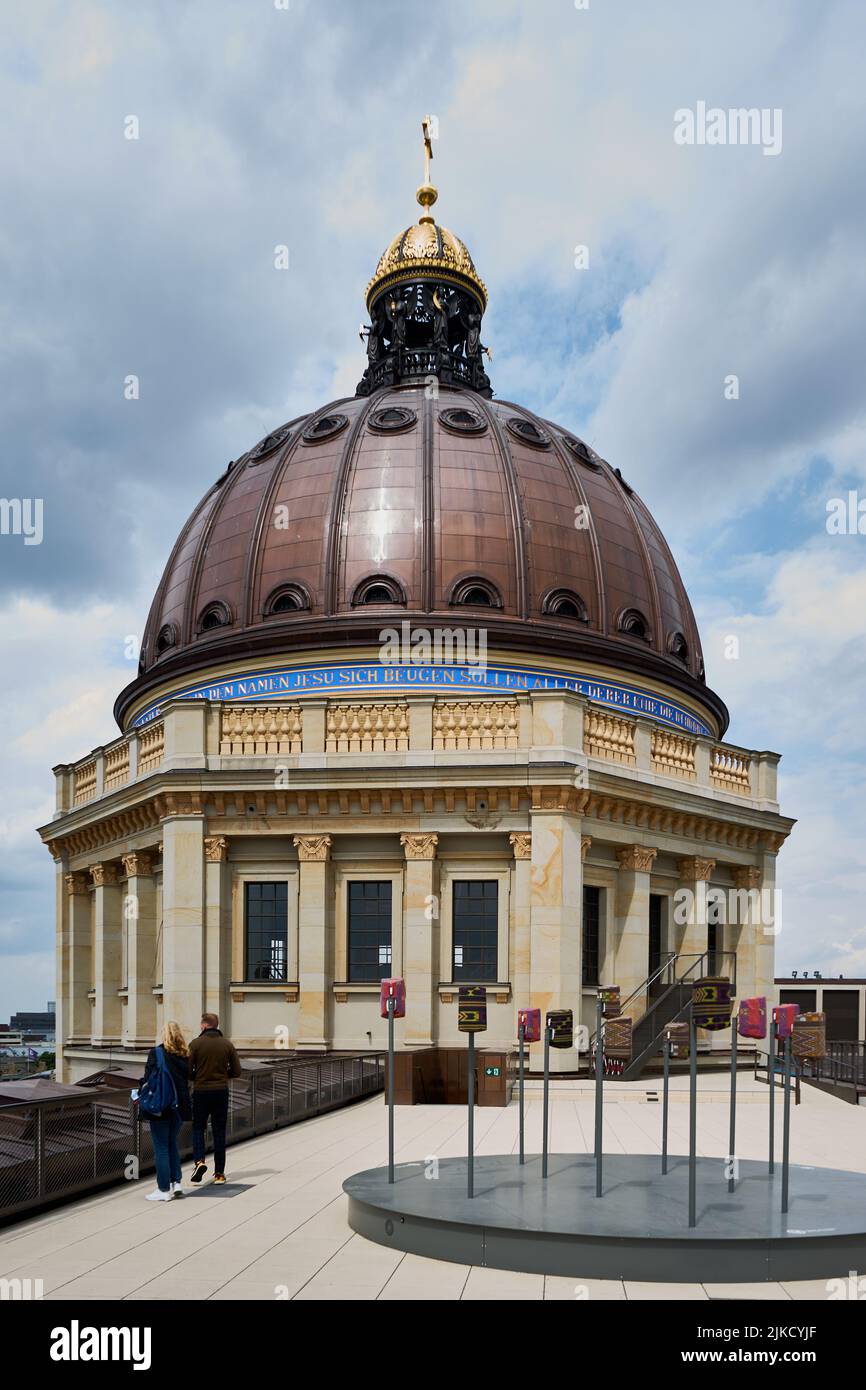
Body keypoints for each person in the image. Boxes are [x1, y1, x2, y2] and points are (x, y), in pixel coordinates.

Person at [140, 1021, 191, 1202]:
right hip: (179, 1108)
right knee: (171, 1145)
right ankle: (176, 1183)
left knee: (161, 1148)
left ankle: (163, 1189)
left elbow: (148, 1079)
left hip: (161, 1107)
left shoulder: (157, 1053)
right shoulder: (185, 1055)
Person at [188, 1012, 242, 1185]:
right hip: (220, 1091)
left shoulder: (195, 1044)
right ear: (216, 1026)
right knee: (219, 1131)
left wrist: (199, 1076)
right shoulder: (227, 1044)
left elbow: (188, 1072)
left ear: (204, 1026)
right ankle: (219, 1173)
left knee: (198, 1127)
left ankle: (200, 1161)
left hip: (201, 1092)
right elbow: (237, 1071)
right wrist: (223, 1075)